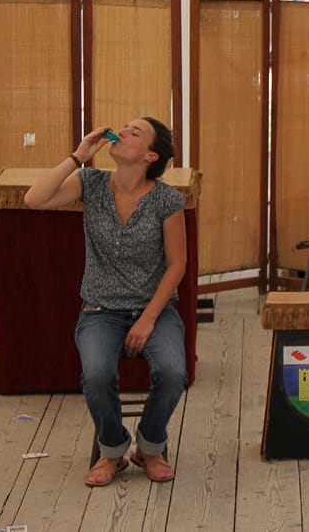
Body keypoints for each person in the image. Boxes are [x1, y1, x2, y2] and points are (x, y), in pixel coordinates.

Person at [24, 117, 187, 485]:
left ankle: (149, 447)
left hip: (155, 311)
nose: (122, 132)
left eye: (135, 131)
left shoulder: (166, 199)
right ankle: (112, 450)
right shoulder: (91, 183)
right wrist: (78, 156)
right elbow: (34, 199)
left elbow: (177, 265)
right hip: (100, 310)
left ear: (150, 156)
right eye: (124, 127)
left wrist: (148, 318)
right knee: (97, 375)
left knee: (173, 371)